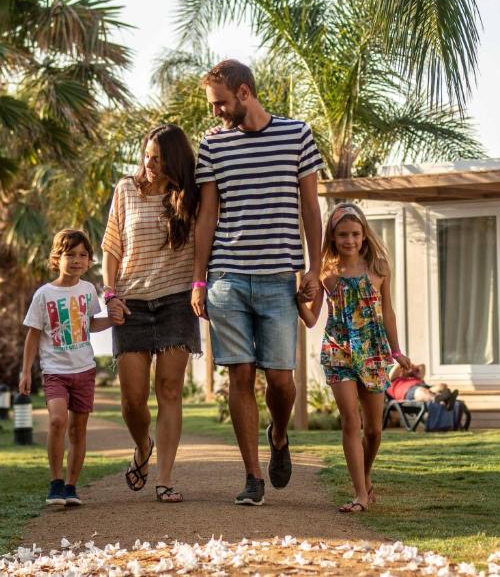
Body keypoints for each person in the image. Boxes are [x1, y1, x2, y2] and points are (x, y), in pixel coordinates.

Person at [191, 59, 323, 506]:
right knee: (241, 375)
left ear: (244, 93)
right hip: (227, 277)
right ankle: (252, 476)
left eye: (221, 103)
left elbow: (311, 209)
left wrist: (314, 269)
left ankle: (279, 434)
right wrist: (198, 279)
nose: (216, 113)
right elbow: (207, 215)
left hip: (278, 278)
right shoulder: (212, 146)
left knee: (282, 381)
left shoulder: (296, 135)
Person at [101, 124, 201, 504]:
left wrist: (199, 287)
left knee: (169, 391)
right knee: (132, 399)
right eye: (146, 156)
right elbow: (112, 246)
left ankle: (165, 478)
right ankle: (143, 444)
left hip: (177, 302)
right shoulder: (126, 189)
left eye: (158, 159)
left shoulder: (190, 197)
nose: (149, 164)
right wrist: (110, 294)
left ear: (174, 160)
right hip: (131, 303)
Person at [297, 203, 412, 513]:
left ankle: (365, 477)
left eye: (355, 234)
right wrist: (297, 299)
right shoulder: (326, 273)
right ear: (333, 238)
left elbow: (388, 312)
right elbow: (311, 320)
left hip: (374, 351)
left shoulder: (379, 268)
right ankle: (360, 493)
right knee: (352, 420)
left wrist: (397, 352)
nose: (349, 240)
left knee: (374, 430)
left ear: (364, 235)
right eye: (342, 235)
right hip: (339, 350)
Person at [20, 229, 123, 507]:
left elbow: (91, 325)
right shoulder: (44, 294)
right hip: (54, 371)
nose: (77, 260)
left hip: (84, 370)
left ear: (89, 261)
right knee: (57, 421)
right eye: (70, 255)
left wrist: (113, 320)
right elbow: (32, 334)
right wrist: (25, 371)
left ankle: (71, 486)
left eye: (82, 255)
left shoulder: (89, 290)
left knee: (78, 429)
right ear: (57, 258)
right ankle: (55, 482)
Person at [386, 363, 458, 408]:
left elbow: (422, 366)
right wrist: (402, 363)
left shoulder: (413, 378)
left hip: (424, 387)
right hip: (408, 391)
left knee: (442, 386)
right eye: (402, 369)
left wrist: (412, 368)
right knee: (420, 391)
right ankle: (442, 399)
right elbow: (396, 369)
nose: (404, 370)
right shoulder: (391, 381)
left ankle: (441, 398)